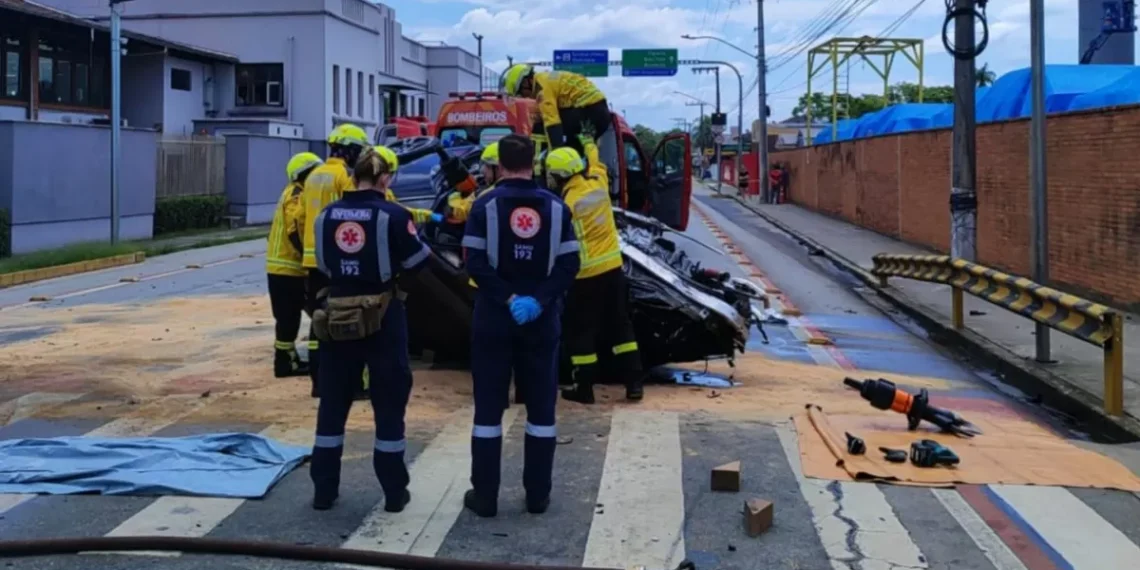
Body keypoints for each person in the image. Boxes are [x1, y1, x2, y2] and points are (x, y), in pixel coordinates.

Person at [461, 134, 580, 517]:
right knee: (542, 411)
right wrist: (537, 300)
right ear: (534, 162)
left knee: (488, 411)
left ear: (500, 165)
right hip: (541, 322)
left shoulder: (484, 206)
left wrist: (508, 299)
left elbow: (474, 263)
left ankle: (485, 497)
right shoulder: (558, 208)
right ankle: (537, 496)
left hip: (493, 320)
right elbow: (569, 265)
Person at [308, 146, 432, 511]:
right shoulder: (394, 215)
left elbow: (320, 268)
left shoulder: (326, 216)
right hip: (383, 314)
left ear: (352, 175)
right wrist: (399, 291)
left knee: (332, 403)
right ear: (384, 179)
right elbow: (418, 263)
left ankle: (324, 492)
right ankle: (394, 491)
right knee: (389, 402)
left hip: (336, 316)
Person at [544, 136, 643, 404]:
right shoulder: (598, 181)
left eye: (552, 174)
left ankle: (584, 388)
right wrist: (588, 140)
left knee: (581, 332)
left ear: (560, 175)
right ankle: (634, 384)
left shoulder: (568, 204)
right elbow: (595, 159)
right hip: (613, 269)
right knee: (621, 327)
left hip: (585, 275)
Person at [301, 123, 371, 399]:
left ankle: (320, 383)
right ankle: (353, 384)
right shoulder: (344, 178)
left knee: (320, 321)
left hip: (311, 259)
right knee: (347, 320)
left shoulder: (313, 175)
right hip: (336, 260)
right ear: (350, 151)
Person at [501, 64, 619, 197]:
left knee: (545, 128)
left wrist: (555, 161)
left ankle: (566, 180)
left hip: (588, 110)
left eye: (522, 92)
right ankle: (581, 177)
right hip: (596, 110)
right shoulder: (545, 78)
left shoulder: (542, 90)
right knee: (579, 148)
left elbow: (553, 123)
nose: (525, 96)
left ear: (527, 81)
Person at [267, 151, 323, 378]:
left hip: (282, 268)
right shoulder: (297, 195)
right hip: (288, 268)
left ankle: (286, 360)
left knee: (287, 317)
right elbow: (295, 229)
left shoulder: (292, 192)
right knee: (289, 318)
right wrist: (310, 258)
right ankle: (284, 363)